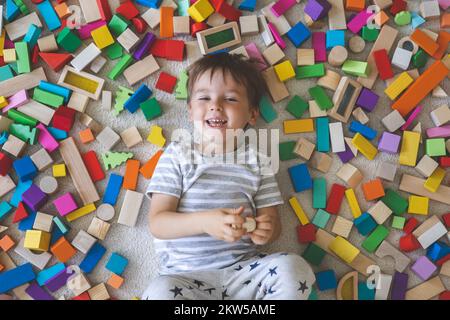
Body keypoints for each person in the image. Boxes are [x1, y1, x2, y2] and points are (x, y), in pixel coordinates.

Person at [142, 53, 315, 300]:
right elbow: (158, 223)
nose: (215, 105)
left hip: (244, 274)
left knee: (294, 268)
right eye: (204, 97)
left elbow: (272, 222)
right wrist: (204, 222)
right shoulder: (177, 154)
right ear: (190, 111)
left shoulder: (257, 161)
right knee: (160, 293)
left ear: (252, 115)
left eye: (230, 98)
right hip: (186, 279)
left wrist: (266, 230)